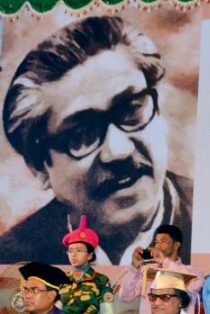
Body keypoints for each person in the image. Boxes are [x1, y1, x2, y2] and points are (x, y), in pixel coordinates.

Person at [0, 16, 193, 265]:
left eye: (130, 110)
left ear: (158, 111)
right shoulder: (11, 258)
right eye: (81, 136)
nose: (118, 151)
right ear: (40, 168)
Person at [118, 224, 204, 314]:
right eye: (156, 242)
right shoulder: (147, 270)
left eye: (163, 241)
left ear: (176, 245)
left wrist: (165, 261)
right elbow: (125, 297)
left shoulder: (193, 271)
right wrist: (134, 267)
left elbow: (193, 285)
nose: (158, 245)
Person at [59, 215, 114, 314]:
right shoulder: (61, 279)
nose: (73, 255)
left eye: (79, 250)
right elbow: (55, 311)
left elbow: (108, 313)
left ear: (90, 255)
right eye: (70, 250)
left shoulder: (101, 280)